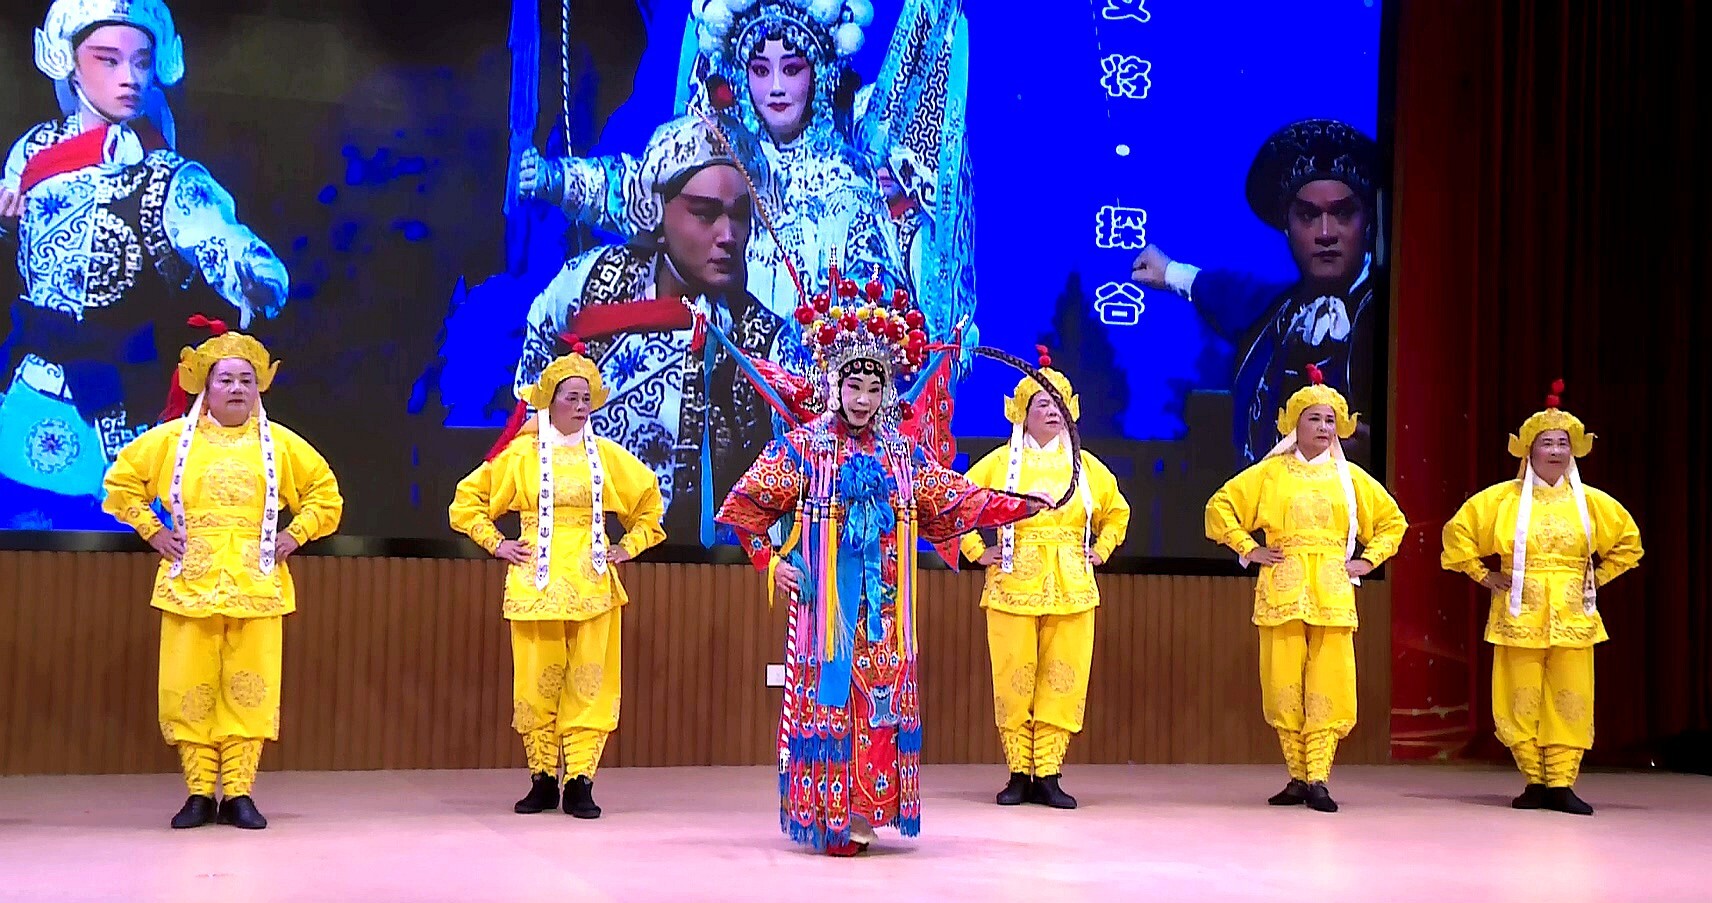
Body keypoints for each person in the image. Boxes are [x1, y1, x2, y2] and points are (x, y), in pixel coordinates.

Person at [716, 260, 1052, 855]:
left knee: (878, 709)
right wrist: (773, 563)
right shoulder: (804, 449)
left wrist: (1022, 506)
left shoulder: (903, 455)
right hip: (828, 611)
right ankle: (830, 814)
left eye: (874, 389)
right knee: (832, 704)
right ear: (833, 385)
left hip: (889, 616)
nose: (864, 399)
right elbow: (745, 507)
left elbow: (957, 497)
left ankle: (864, 812)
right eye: (854, 387)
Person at [0, 0, 289, 529]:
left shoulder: (172, 178)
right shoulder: (33, 152)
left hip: (124, 407)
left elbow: (225, 240)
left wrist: (247, 268)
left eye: (140, 62)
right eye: (108, 60)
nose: (128, 77)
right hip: (27, 392)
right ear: (71, 62)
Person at [515, 0, 906, 360]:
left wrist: (822, 348)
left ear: (817, 73)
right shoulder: (719, 149)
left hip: (807, 382)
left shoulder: (847, 177)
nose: (775, 88)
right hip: (713, 367)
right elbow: (638, 188)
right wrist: (555, 179)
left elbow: (874, 292)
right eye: (760, 70)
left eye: (791, 69)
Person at [101, 317, 342, 830]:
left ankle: (238, 791)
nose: (236, 389)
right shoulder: (171, 441)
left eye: (246, 380)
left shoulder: (282, 445)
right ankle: (197, 791)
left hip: (257, 583)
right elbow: (120, 482)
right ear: (205, 387)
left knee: (250, 686)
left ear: (259, 388)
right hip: (191, 582)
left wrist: (294, 535)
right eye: (226, 379)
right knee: (189, 684)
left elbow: (325, 494)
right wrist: (153, 531)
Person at [514, 114, 782, 545]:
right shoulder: (592, 282)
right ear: (658, 210)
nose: (728, 235)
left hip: (693, 566)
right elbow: (539, 353)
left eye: (739, 216)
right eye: (704, 214)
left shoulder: (762, 343)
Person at [451, 343, 665, 818]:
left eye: (586, 398)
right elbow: (467, 502)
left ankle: (580, 780)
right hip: (537, 586)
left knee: (591, 682)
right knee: (535, 683)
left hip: (592, 584)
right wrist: (497, 543)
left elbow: (649, 502)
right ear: (550, 401)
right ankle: (543, 776)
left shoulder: (606, 456)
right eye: (572, 397)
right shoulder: (520, 456)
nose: (581, 406)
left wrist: (628, 546)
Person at [1204, 363, 1405, 812]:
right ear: (1294, 424)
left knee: (1329, 682)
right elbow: (1220, 508)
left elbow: (1393, 521)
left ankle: (1318, 777)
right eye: (1314, 418)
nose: (1323, 427)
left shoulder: (1350, 479)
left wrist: (1367, 560)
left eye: (1330, 420)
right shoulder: (1270, 474)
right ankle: (1298, 775)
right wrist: (1248, 548)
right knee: (1283, 684)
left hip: (1332, 592)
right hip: (1283, 587)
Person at [1440, 381, 1642, 815]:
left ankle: (1562, 782)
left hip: (1573, 613)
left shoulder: (1593, 503)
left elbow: (1629, 543)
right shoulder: (1501, 500)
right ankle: (1534, 778)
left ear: (1574, 451)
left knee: (1571, 694)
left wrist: (1595, 577)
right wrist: (1483, 574)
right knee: (1520, 694)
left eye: (1562, 443)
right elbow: (1457, 535)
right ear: (1529, 451)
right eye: (1546, 443)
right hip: (1519, 612)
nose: (1555, 451)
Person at [1131, 120, 1377, 464]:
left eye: (1342, 214)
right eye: (1308, 215)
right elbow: (1233, 296)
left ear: (1368, 222)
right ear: (1287, 227)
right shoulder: (1275, 314)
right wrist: (1170, 272)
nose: (1325, 233)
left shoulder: (1391, 318)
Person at [959, 351, 1130, 809]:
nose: (1052, 411)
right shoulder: (999, 463)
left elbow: (1118, 512)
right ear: (1023, 411)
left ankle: (1049, 772)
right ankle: (1019, 771)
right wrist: (977, 550)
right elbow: (960, 505)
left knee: (1063, 677)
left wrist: (1102, 549)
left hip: (1073, 587)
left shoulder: (1086, 467)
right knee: (1014, 675)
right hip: (1012, 583)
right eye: (1042, 403)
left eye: (1058, 402)